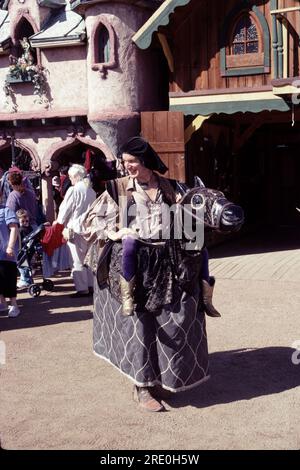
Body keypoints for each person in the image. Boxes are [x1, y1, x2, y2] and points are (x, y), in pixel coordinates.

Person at [82, 136, 213, 413]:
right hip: (134, 264)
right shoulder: (118, 189)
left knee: (173, 320)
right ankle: (142, 387)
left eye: (132, 161)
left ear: (146, 162)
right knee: (140, 325)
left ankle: (165, 376)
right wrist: (115, 232)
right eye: (124, 161)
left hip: (168, 262)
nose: (126, 166)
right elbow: (89, 222)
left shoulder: (173, 187)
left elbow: (194, 216)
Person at [55, 164, 96, 298]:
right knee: (88, 258)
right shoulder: (91, 190)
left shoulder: (74, 190)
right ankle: (91, 286)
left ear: (76, 176)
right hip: (89, 228)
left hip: (76, 228)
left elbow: (65, 208)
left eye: (71, 177)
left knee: (77, 259)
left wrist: (59, 221)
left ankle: (82, 288)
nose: (70, 179)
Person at [0, 190, 20, 317]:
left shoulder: (6, 211)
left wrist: (10, 247)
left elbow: (14, 229)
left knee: (9, 278)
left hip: (5, 253)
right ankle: (2, 303)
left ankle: (14, 305)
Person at [15, 208, 33, 288]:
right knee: (24, 266)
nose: (25, 223)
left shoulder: (21, 230)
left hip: (24, 251)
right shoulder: (26, 229)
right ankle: (26, 279)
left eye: (27, 221)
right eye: (23, 221)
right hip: (26, 250)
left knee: (22, 266)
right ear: (18, 221)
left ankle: (25, 280)